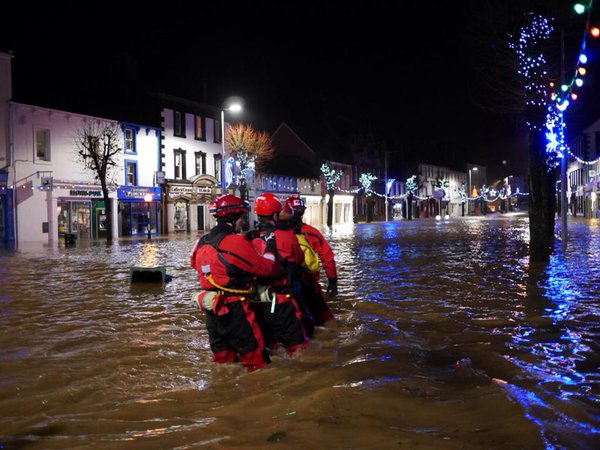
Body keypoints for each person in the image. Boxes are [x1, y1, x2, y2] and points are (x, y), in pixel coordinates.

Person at [190, 194, 279, 372]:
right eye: (241, 217)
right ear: (234, 217)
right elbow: (267, 268)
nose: (242, 222)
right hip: (236, 311)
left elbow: (194, 264)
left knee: (223, 363)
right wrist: (270, 244)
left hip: (212, 311)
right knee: (258, 364)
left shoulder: (201, 241)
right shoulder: (236, 242)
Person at [249, 192, 309, 355]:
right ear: (276, 214)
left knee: (270, 348)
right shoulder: (285, 234)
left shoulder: (248, 237)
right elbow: (298, 258)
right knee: (300, 349)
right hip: (280, 300)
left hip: (256, 303)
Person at [283, 194, 337, 325]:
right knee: (324, 320)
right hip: (308, 283)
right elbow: (327, 257)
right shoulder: (311, 232)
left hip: (284, 286)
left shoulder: (278, 233)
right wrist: (332, 281)